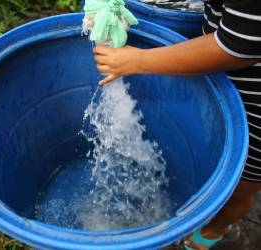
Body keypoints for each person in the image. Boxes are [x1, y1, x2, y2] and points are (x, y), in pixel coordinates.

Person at [93, 0, 261, 249]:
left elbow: (237, 47)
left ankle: (216, 229)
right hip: (228, 78)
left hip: (255, 108)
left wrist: (139, 60)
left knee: (242, 185)